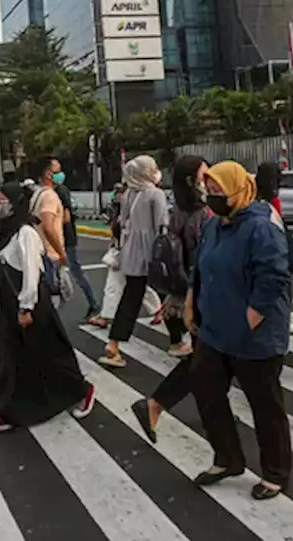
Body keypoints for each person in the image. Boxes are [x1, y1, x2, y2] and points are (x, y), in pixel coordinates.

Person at [186, 162, 292, 500]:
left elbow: (274, 276)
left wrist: (252, 317)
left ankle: (275, 472)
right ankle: (228, 457)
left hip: (255, 336)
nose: (212, 196)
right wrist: (191, 300)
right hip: (214, 329)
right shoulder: (216, 224)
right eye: (210, 190)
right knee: (206, 390)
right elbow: (199, 264)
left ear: (239, 188)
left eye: (219, 190)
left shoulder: (261, 226)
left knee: (265, 405)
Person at [0, 183, 96, 435]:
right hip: (11, 305)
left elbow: (31, 273)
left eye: (3, 200)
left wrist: (26, 307)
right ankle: (7, 410)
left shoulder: (26, 233)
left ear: (15, 202)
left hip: (29, 306)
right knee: (13, 357)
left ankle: (82, 390)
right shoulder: (6, 232)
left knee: (49, 351)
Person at [131, 156, 210, 443]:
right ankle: (155, 404)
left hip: (186, 294)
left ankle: (211, 412)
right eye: (205, 175)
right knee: (208, 359)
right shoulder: (205, 216)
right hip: (204, 295)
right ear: (192, 181)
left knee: (208, 360)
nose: (210, 179)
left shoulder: (177, 212)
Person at [101, 155, 168, 368]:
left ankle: (113, 344)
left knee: (131, 297)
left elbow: (122, 222)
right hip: (152, 253)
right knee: (173, 291)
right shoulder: (155, 195)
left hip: (131, 252)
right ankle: (179, 340)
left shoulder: (129, 193)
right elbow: (162, 226)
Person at [89, 182, 162, 329]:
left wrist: (121, 255)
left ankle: (105, 316)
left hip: (126, 255)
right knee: (136, 285)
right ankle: (157, 309)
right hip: (124, 254)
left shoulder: (134, 215)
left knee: (115, 286)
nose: (118, 197)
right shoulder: (122, 213)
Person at [55, 164, 101, 319]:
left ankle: (94, 305)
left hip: (66, 239)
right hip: (61, 239)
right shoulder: (55, 191)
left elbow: (66, 217)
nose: (60, 173)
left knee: (75, 273)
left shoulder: (61, 191)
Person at [28, 157, 69, 297]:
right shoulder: (50, 197)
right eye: (58, 170)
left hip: (39, 252)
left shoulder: (37, 194)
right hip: (49, 255)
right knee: (53, 300)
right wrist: (61, 253)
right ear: (48, 174)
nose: (61, 174)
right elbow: (48, 226)